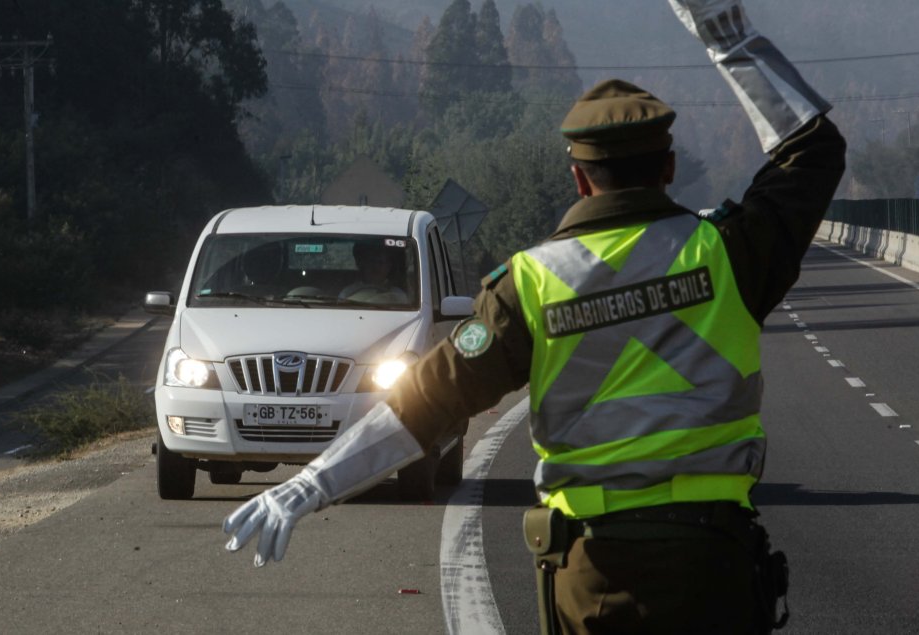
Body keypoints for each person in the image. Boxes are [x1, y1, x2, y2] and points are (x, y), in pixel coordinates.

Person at [223, 1, 845, 632]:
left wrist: (309, 484)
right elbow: (814, 150)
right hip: (716, 566)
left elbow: (424, 405)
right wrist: (723, 31)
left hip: (593, 574)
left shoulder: (530, 284)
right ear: (669, 169)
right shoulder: (731, 252)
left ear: (579, 178)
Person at [338, 239, 408, 303]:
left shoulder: (398, 294)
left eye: (381, 262)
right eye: (372, 261)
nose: (376, 267)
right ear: (361, 264)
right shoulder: (347, 292)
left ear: (388, 266)